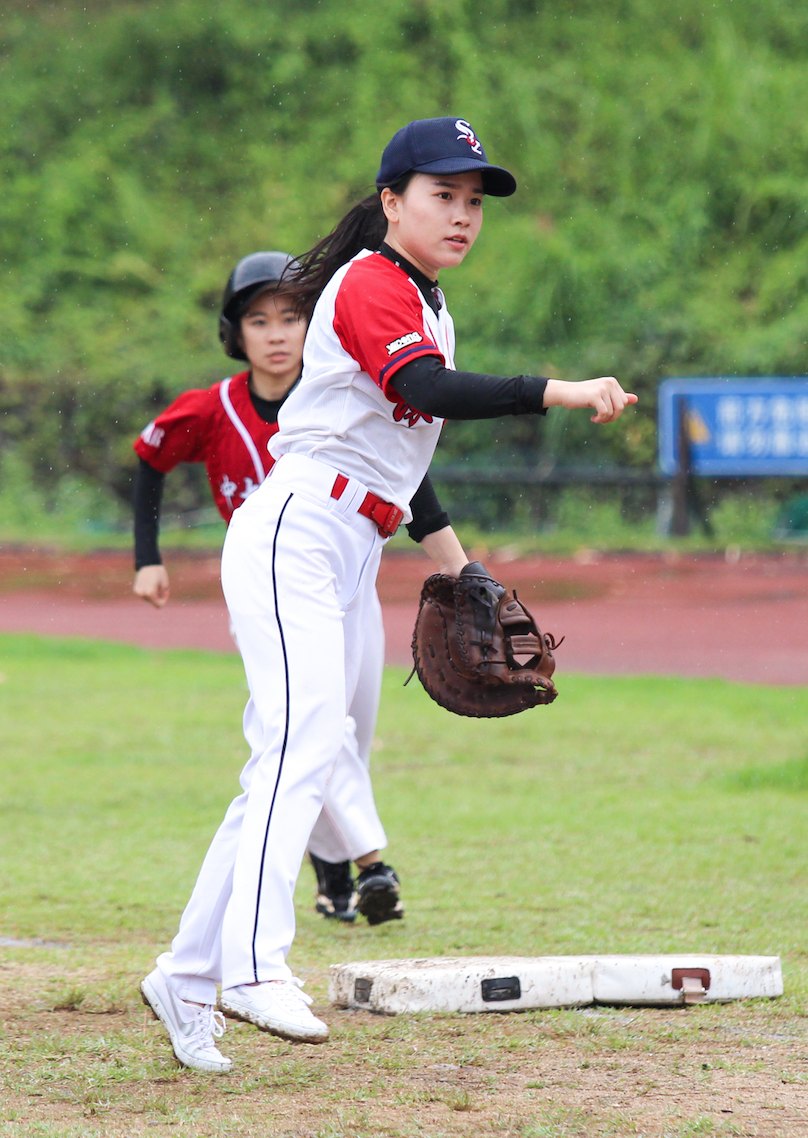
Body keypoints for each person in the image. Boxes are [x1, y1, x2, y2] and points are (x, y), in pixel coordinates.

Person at [140, 116, 637, 1073]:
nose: (461, 214)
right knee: (300, 744)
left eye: (473, 200)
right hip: (298, 529)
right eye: (441, 194)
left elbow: (410, 469)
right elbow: (430, 389)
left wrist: (463, 570)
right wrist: (558, 390)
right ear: (391, 201)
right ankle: (250, 963)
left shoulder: (425, 299)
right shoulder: (370, 282)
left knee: (292, 755)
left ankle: (190, 972)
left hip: (347, 539)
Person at [132, 252, 400, 936]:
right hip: (268, 586)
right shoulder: (213, 407)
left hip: (349, 581)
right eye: (259, 319)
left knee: (348, 734)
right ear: (236, 332)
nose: (277, 333)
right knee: (312, 723)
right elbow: (151, 455)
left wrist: (455, 561)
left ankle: (334, 872)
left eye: (293, 316)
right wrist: (147, 558)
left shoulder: (341, 393)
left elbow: (412, 483)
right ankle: (369, 865)